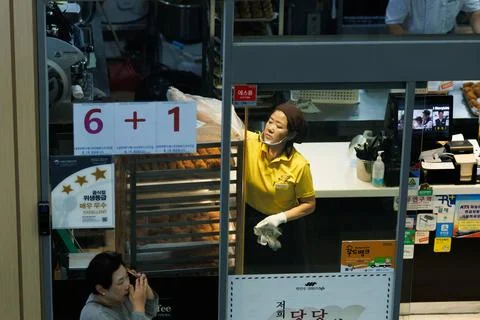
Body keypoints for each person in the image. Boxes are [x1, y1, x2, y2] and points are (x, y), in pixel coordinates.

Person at [243, 102, 316, 274]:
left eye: (278, 126)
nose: (270, 128)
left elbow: (309, 204)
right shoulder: (250, 143)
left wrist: (280, 218)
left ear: (291, 134)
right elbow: (223, 123)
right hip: (251, 218)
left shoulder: (299, 165)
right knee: (251, 272)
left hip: (285, 226)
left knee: (283, 275)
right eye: (270, 121)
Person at [80, 251, 159, 320]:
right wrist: (138, 308)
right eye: (120, 282)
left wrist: (146, 288)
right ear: (101, 289)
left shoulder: (120, 297)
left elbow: (150, 314)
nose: (128, 284)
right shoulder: (95, 315)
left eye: (127, 276)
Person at [385, 0, 480, 35]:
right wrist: (410, 47)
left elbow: (475, 10)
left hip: (448, 39)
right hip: (413, 41)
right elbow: (393, 24)